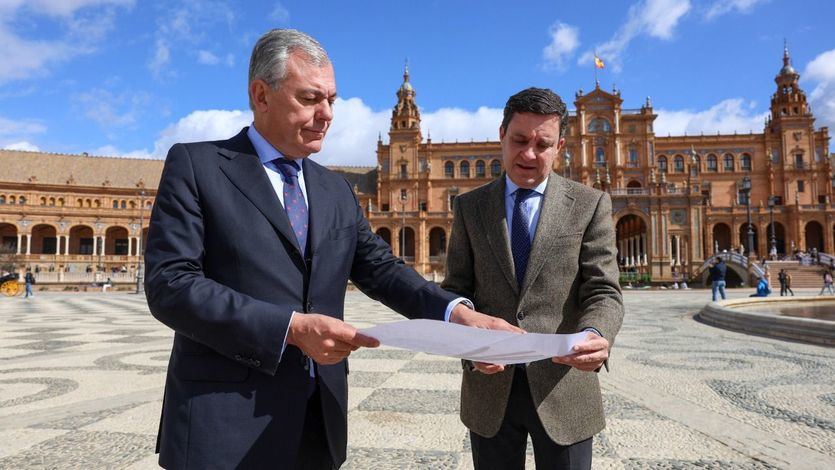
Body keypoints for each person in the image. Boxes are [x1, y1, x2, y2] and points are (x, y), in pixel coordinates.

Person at [143, 29, 517, 470]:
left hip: (317, 421)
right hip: (220, 422)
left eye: (332, 101)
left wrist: (459, 316)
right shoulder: (197, 166)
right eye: (309, 98)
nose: (326, 115)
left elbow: (381, 270)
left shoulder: (334, 188)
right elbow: (170, 285)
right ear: (261, 95)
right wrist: (290, 327)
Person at [442, 87, 624, 470]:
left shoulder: (590, 204)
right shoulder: (469, 207)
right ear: (501, 135)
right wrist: (471, 347)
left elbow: (604, 289)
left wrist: (595, 333)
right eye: (519, 140)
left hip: (566, 387)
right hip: (489, 390)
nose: (528, 154)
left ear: (560, 146)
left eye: (542, 144)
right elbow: (456, 291)